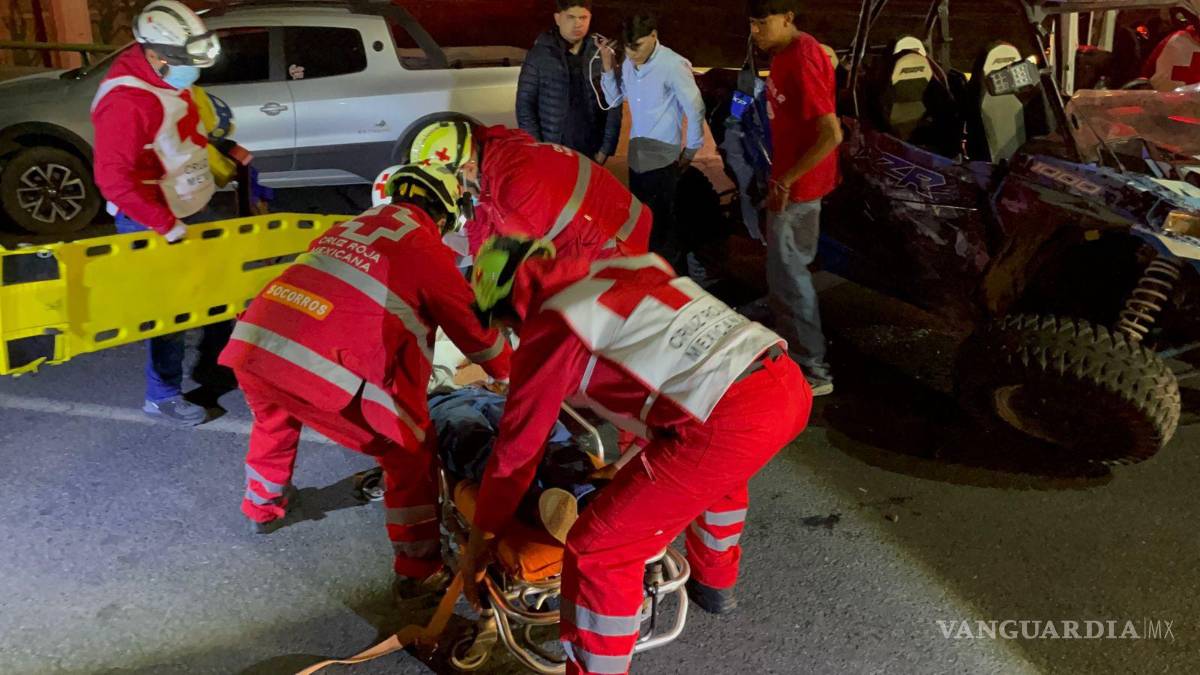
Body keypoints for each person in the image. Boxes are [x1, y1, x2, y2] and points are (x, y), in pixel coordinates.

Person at [459, 237, 812, 675]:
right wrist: (623, 468)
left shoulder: (553, 326)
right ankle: (715, 583)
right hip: (783, 382)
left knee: (598, 551)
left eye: (508, 325)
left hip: (729, 418)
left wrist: (479, 545)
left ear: (511, 305)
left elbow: (515, 455)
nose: (513, 334)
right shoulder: (629, 268)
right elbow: (670, 376)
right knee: (717, 478)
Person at [218, 164, 512, 598]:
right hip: (313, 365)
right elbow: (477, 333)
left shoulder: (351, 227)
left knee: (274, 421)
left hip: (255, 342)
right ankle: (418, 570)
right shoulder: (425, 249)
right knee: (408, 451)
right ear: (445, 214)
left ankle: (261, 506)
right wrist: (508, 371)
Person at [90, 0, 230, 426]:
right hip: (154, 219)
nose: (193, 71)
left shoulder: (167, 78)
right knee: (169, 312)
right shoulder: (126, 102)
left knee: (218, 289)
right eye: (187, 61)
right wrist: (165, 225)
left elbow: (183, 138)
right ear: (155, 54)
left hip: (188, 204)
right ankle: (162, 395)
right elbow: (113, 179)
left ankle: (214, 365)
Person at [749, 0, 843, 396]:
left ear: (788, 18)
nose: (755, 32)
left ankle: (812, 369)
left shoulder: (802, 57)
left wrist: (787, 180)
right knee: (782, 269)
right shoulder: (787, 52)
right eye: (752, 24)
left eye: (763, 23)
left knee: (791, 274)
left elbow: (831, 133)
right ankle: (785, 330)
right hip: (787, 182)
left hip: (799, 189)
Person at [408, 120, 652, 261]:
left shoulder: (511, 187)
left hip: (616, 245)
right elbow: (487, 222)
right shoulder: (500, 154)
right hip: (617, 221)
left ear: (467, 168)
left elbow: (514, 258)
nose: (455, 190)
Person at [597, 14, 706, 274]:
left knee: (662, 228)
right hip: (637, 155)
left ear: (654, 36)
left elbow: (695, 108)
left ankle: (672, 279)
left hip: (663, 155)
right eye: (627, 47)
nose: (632, 53)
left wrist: (691, 149)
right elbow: (614, 99)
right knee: (642, 222)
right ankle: (650, 276)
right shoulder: (629, 63)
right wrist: (608, 65)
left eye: (637, 46)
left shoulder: (672, 64)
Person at [517, 0, 623, 165]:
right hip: (553, 150)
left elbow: (614, 103)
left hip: (592, 151)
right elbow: (525, 106)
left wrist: (605, 150)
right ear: (558, 18)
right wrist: (538, 148)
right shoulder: (540, 55)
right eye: (571, 17)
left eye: (583, 17)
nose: (578, 23)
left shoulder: (601, 54)